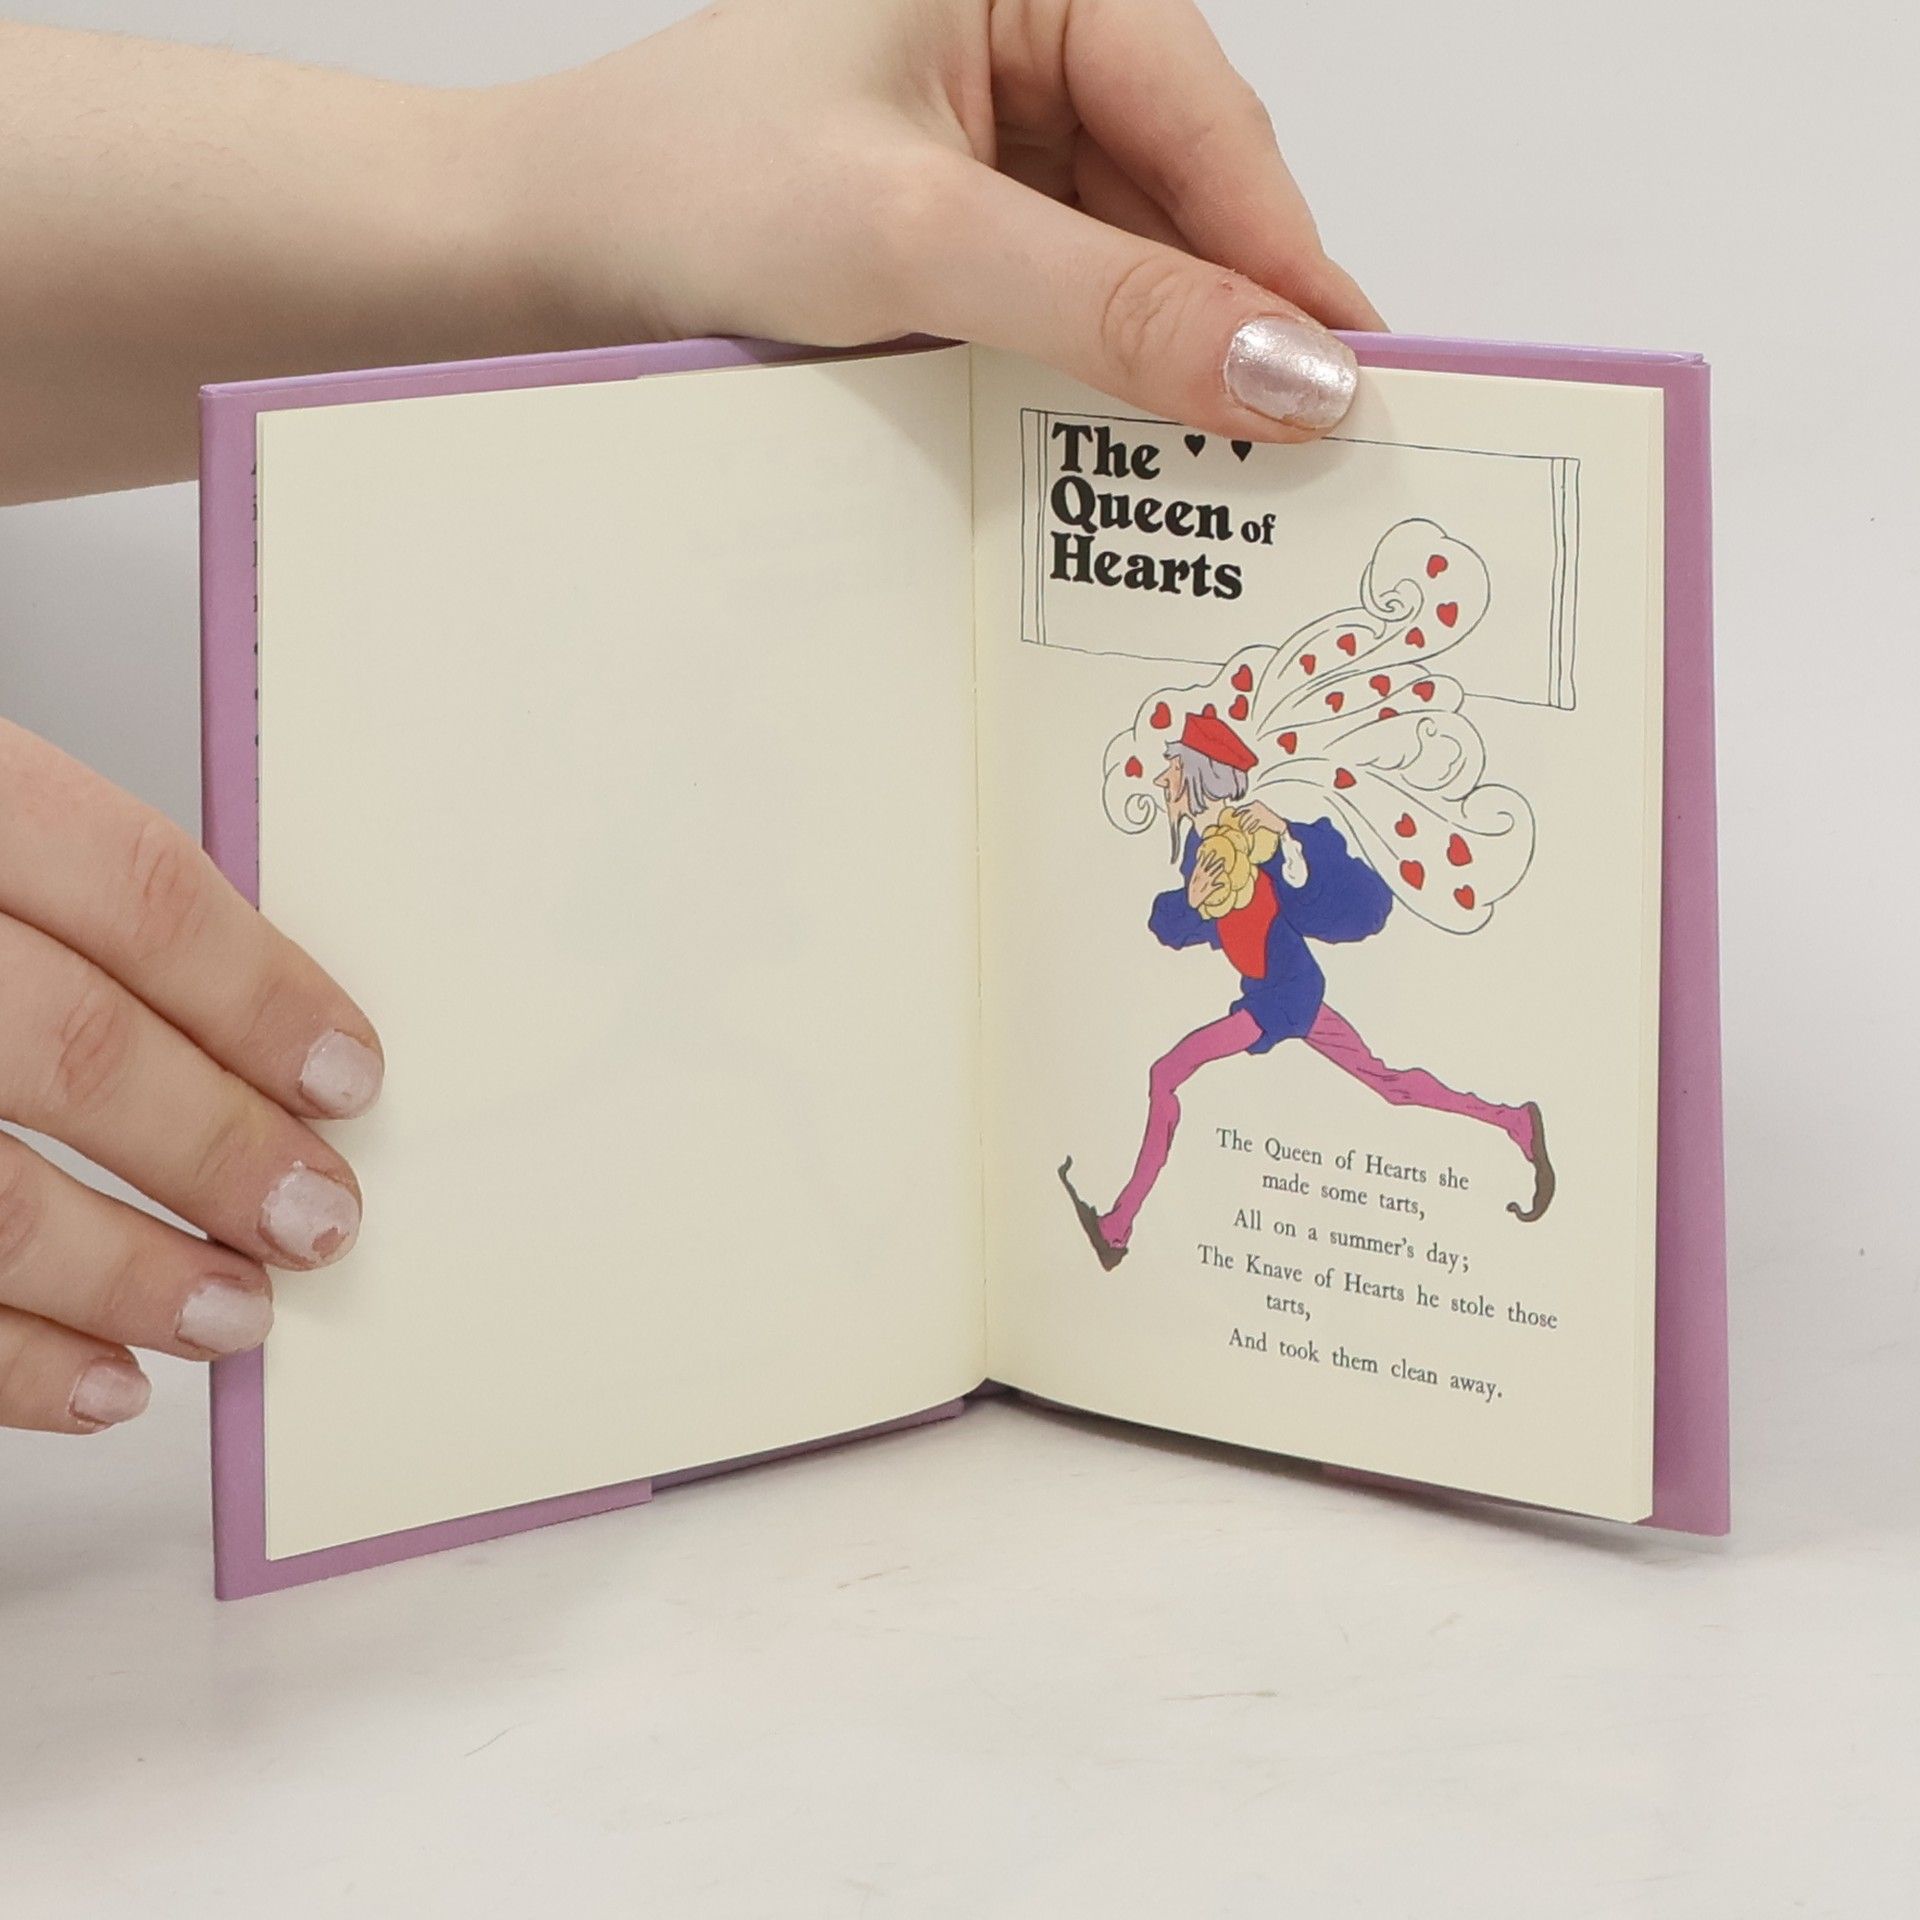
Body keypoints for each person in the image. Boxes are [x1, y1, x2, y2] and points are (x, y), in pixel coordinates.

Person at [0, 0, 1378, 1437]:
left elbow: (1274, 915)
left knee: (1294, 1079)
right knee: (1170, 1080)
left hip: (1245, 1001)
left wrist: (528, 194)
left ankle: (1393, 1149)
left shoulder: (1251, 855)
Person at [1059, 712, 1554, 1269]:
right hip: (1285, 990)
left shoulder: (1254, 835)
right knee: (1387, 1082)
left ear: (1196, 774)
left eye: (1171, 767)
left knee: (1166, 1073)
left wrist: (1288, 839)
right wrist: (1192, 902)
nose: (1162, 779)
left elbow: (1348, 898)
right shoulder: (1204, 848)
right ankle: (1514, 1121)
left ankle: (1118, 1227)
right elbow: (1176, 927)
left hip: (1281, 997)